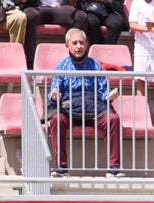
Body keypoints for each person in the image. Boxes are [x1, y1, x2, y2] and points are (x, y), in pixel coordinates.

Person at [46, 29, 124, 179]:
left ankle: (114, 168)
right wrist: (55, 96)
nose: (78, 46)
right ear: (67, 45)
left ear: (87, 44)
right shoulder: (61, 66)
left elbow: (103, 92)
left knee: (112, 119)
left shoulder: (95, 65)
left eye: (81, 43)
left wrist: (110, 96)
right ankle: (61, 167)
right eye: (74, 43)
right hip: (70, 108)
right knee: (56, 119)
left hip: (93, 107)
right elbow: (54, 91)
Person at [23, 0, 89, 68]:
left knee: (81, 16)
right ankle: (29, 61)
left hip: (62, 8)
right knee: (29, 15)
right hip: (39, 7)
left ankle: (74, 60)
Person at [128, 0, 154, 111]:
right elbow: (132, 24)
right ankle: (141, 113)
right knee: (140, 80)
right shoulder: (136, 2)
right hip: (141, 46)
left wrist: (152, 25)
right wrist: (146, 29)